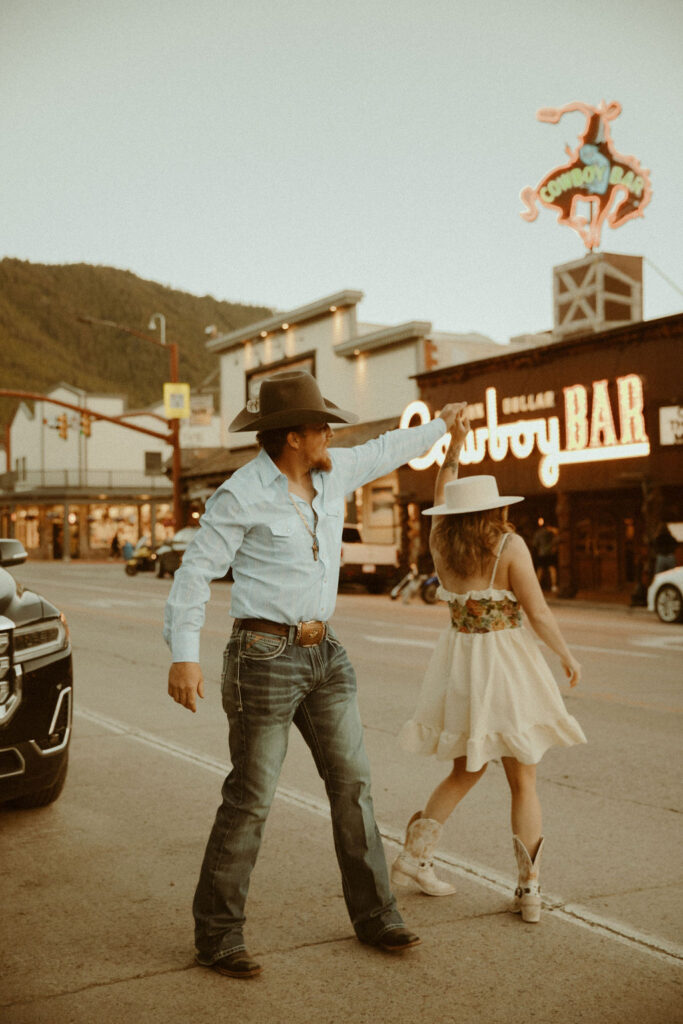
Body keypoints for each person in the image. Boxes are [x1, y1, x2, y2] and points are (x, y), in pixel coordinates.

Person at [163, 369, 464, 978]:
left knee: (353, 785)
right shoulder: (240, 494)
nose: (330, 433)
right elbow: (194, 575)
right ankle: (218, 936)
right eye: (320, 426)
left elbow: (387, 449)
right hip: (262, 657)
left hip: (325, 653)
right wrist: (184, 654)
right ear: (292, 437)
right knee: (251, 799)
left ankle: (376, 914)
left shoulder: (335, 472)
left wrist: (442, 425)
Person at [394, 410, 586, 923]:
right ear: (496, 508)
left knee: (464, 769)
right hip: (507, 666)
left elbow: (444, 483)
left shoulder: (439, 542)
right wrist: (566, 655)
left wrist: (453, 445)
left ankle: (413, 857)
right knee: (523, 781)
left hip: (460, 667)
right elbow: (539, 612)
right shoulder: (509, 545)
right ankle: (529, 892)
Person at [531, 518, 558, 592]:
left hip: (542, 553)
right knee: (552, 569)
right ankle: (554, 586)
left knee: (540, 570)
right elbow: (557, 536)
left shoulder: (538, 533)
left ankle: (537, 586)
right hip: (550, 553)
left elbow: (535, 544)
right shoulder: (551, 531)